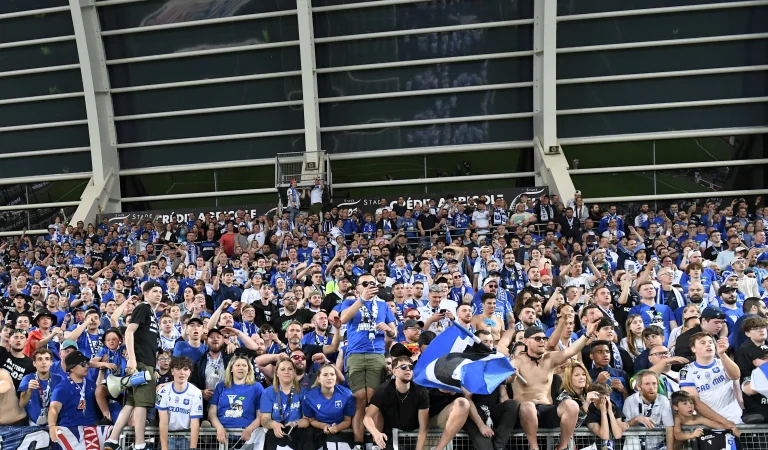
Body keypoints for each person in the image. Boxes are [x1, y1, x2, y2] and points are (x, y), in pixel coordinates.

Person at [511, 318, 599, 450]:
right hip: (524, 413)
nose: (542, 342)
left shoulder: (549, 359)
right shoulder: (516, 362)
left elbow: (570, 351)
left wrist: (586, 335)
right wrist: (511, 376)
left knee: (572, 405)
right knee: (528, 406)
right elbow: (504, 380)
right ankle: (534, 448)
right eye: (537, 339)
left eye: (544, 339)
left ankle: (562, 447)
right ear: (526, 341)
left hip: (547, 409)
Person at [339, 272, 397, 450]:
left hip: (376, 354)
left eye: (372, 283)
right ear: (357, 288)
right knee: (359, 400)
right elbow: (343, 319)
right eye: (365, 284)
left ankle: (376, 443)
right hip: (355, 354)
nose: (369, 286)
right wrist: (362, 300)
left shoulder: (383, 306)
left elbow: (394, 333)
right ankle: (358, 444)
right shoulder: (350, 302)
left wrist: (388, 329)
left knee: (374, 400)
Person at [104, 280, 163, 450]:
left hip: (145, 362)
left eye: (160, 291)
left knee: (131, 402)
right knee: (142, 403)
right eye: (154, 291)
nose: (158, 294)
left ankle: (112, 440)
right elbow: (129, 331)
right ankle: (139, 445)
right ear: (145, 293)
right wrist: (132, 359)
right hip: (142, 363)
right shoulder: (143, 308)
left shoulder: (151, 312)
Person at [463, 331, 520, 450]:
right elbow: (467, 400)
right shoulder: (467, 364)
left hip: (492, 410)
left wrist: (513, 376)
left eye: (491, 341)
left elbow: (503, 396)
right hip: (473, 413)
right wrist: (482, 426)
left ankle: (499, 445)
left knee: (512, 404)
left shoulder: (495, 363)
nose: (489, 345)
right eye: (485, 342)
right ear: (476, 343)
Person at [364, 355, 430, 450]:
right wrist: (376, 433)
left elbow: (423, 428)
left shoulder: (421, 391)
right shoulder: (384, 390)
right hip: (390, 431)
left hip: (413, 431)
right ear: (394, 371)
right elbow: (367, 417)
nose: (408, 369)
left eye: (410, 367)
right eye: (403, 367)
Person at [679, 332, 742, 429]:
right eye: (702, 343)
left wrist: (722, 354)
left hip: (735, 420)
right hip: (710, 425)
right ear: (693, 348)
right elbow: (695, 402)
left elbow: (736, 376)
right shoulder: (687, 371)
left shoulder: (723, 362)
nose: (708, 345)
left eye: (710, 342)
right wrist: (724, 422)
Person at [210, 354, 266, 448]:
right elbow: (211, 413)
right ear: (231, 368)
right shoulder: (221, 386)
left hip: (247, 437)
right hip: (221, 437)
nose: (241, 368)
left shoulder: (257, 387)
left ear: (248, 369)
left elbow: (261, 416)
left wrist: (250, 429)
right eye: (237, 365)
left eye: (244, 365)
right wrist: (219, 428)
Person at [48, 351, 99, 443]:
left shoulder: (91, 384)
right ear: (72, 368)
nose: (87, 366)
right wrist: (52, 426)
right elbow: (54, 408)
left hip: (92, 434)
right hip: (69, 433)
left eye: (87, 363)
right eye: (83, 364)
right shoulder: (62, 387)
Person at [302, 364, 355, 450]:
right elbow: (312, 420)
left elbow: (347, 421)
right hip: (318, 432)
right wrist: (324, 426)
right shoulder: (309, 397)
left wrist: (337, 428)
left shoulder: (347, 394)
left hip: (342, 431)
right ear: (318, 378)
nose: (329, 377)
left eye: (332, 374)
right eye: (325, 375)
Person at [260, 356, 309, 450]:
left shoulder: (303, 392)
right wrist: (274, 424)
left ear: (294, 372)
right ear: (277, 373)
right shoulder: (268, 392)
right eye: (282, 369)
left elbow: (307, 420)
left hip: (298, 435)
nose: (286, 372)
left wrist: (295, 423)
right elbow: (264, 419)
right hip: (275, 436)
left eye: (290, 369)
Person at [156, 356, 203, 450]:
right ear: (172, 371)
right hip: (168, 437)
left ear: (190, 372)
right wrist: (164, 448)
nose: (182, 372)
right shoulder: (163, 392)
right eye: (178, 369)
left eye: (185, 369)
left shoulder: (196, 393)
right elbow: (163, 422)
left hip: (187, 437)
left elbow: (195, 423)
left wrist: (193, 448)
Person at [622, 370, 675, 450]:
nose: (651, 387)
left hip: (656, 446)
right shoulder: (630, 400)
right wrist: (636, 419)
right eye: (647, 384)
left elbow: (669, 428)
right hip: (633, 446)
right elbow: (623, 426)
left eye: (654, 383)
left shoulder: (664, 400)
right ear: (639, 386)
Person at [672, 391, 740, 446]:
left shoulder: (697, 418)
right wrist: (692, 435)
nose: (690, 406)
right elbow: (677, 435)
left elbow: (714, 424)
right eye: (685, 404)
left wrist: (730, 428)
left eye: (691, 403)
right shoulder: (677, 418)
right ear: (675, 407)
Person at [735, 316, 768, 423]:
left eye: (763, 327)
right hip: (756, 404)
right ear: (747, 333)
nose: (761, 330)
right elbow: (744, 378)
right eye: (756, 328)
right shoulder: (743, 350)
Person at [18, 348, 57, 426]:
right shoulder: (28, 378)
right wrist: (29, 390)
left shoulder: (59, 379)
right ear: (34, 363)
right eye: (40, 359)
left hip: (54, 424)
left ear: (51, 363)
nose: (43, 362)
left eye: (47, 359)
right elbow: (21, 404)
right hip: (33, 426)